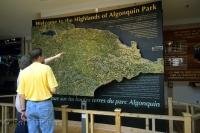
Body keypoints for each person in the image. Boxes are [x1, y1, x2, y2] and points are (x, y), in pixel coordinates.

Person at [16, 49, 61, 133]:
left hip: (30, 106)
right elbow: (53, 90)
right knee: (47, 130)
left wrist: (23, 110)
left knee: (33, 131)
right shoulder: (46, 69)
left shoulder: (23, 72)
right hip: (45, 105)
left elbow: (21, 94)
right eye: (43, 56)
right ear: (39, 57)